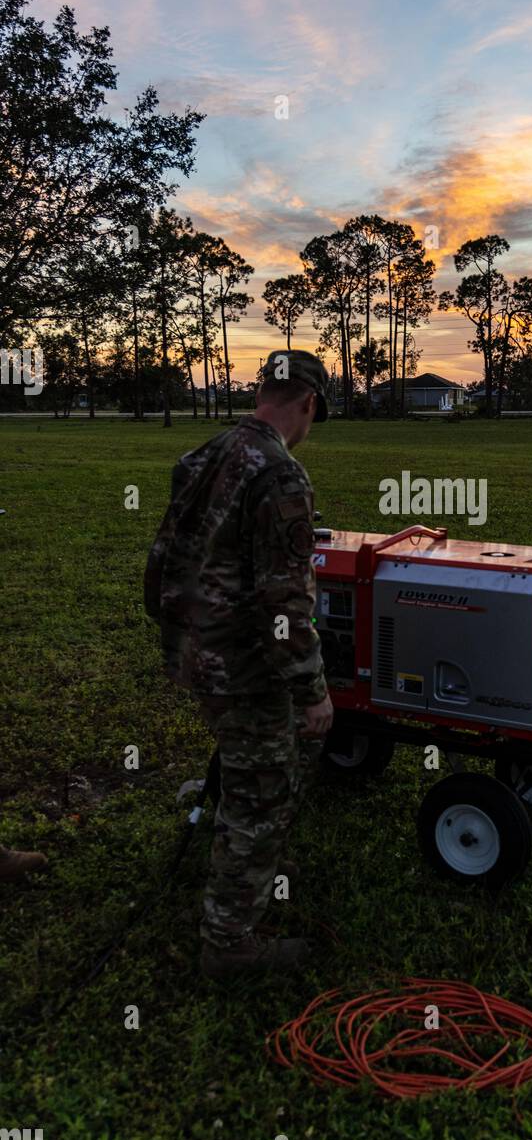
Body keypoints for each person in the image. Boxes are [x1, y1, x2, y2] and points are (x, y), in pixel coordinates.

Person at [144, 350, 333, 980]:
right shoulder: (280, 476)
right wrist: (311, 691)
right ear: (307, 404)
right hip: (244, 664)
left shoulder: (204, 455)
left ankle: (253, 869)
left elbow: (164, 557)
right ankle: (228, 945)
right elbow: (285, 600)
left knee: (246, 767)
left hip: (195, 649)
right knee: (262, 793)